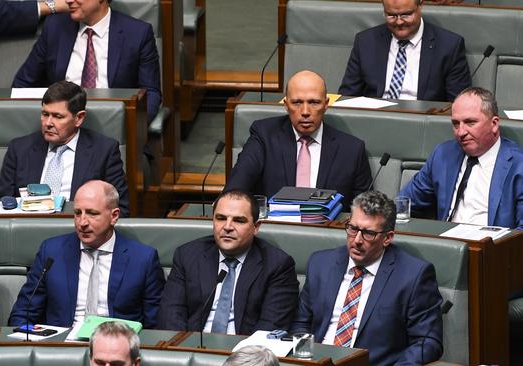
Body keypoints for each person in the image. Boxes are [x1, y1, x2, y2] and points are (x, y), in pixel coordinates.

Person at [291, 191, 443, 365]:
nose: (356, 240)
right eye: (353, 228)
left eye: (368, 233)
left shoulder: (414, 275)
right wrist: (304, 359)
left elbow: (427, 342)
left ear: (387, 238)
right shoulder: (320, 264)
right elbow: (300, 323)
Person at [8, 180, 165, 328]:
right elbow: (23, 313)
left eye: (92, 213)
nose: (82, 222)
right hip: (61, 346)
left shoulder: (143, 259)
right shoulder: (52, 251)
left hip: (116, 347)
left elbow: (156, 324)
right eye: (77, 213)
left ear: (114, 216)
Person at [225, 70, 371, 210]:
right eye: (297, 103)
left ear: (326, 104)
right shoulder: (264, 136)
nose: (305, 112)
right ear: (286, 104)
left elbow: (365, 211)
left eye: (314, 102)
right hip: (274, 229)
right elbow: (236, 189)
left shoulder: (351, 150)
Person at [158, 190, 299, 335]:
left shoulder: (278, 265)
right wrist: (183, 348)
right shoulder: (188, 255)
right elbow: (171, 313)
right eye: (221, 218)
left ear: (256, 227)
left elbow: (270, 326)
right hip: (192, 345)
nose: (227, 227)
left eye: (239, 220)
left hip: (245, 351)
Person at [0, 80, 129, 216]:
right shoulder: (19, 149)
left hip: (79, 229)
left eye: (58, 117)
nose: (48, 123)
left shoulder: (104, 150)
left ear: (79, 118)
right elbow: (0, 205)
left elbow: (119, 209)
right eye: (45, 114)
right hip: (26, 227)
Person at [12, 0, 161, 122]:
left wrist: (129, 128)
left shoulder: (137, 33)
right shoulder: (55, 27)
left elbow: (150, 94)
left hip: (113, 127)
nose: (68, 1)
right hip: (60, 127)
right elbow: (22, 84)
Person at [399, 87, 523, 229]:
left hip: (490, 247)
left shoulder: (518, 165)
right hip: (446, 244)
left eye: (470, 122)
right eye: (456, 124)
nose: (461, 132)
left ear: (494, 124)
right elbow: (404, 203)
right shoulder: (443, 154)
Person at [338, 0, 471, 102]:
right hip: (375, 118)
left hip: (423, 123)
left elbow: (458, 103)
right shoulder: (365, 41)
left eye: (406, 15)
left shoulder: (449, 45)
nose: (399, 22)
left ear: (420, 5)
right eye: (391, 15)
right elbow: (348, 95)